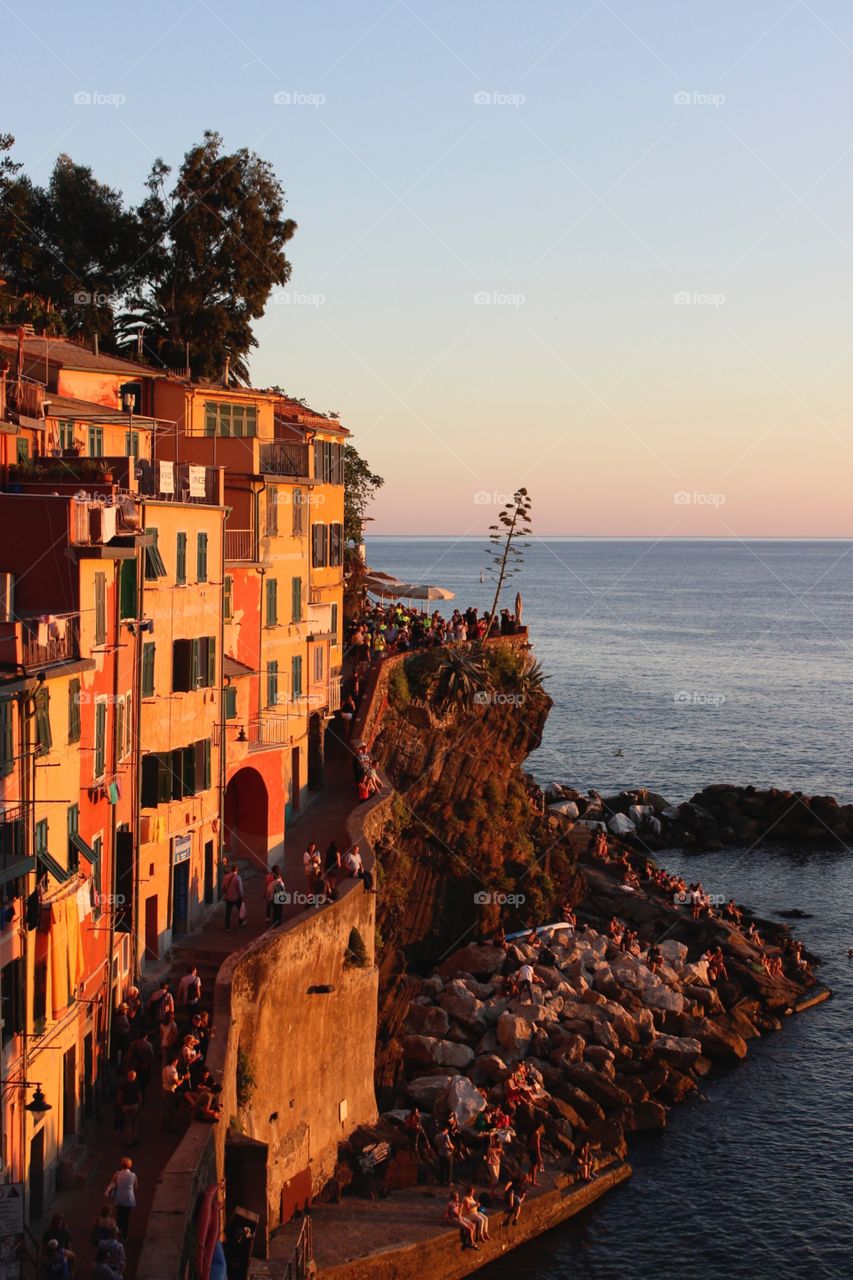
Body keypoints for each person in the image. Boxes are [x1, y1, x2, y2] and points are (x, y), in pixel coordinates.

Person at [107, 1158, 137, 1239]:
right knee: (126, 1218)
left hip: (119, 1198)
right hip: (128, 1199)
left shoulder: (117, 1174)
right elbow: (135, 1186)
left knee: (119, 1215)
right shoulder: (133, 1175)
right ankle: (125, 1235)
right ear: (130, 1165)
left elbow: (112, 1182)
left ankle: (117, 1233)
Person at [128, 1031, 156, 1101]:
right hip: (145, 1067)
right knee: (143, 1084)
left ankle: (134, 1097)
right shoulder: (149, 1045)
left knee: (134, 1082)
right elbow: (152, 1057)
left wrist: (129, 1065)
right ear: (145, 1036)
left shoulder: (133, 1044)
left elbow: (129, 1056)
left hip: (135, 1066)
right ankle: (142, 1097)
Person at [118, 1070, 141, 1145]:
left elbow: (120, 1096)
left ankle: (129, 1142)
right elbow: (139, 1097)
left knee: (128, 1124)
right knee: (135, 1122)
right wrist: (140, 1105)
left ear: (128, 1077)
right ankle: (135, 1138)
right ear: (134, 1077)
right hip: (134, 1105)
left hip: (125, 1106)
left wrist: (119, 1104)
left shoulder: (123, 1085)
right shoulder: (136, 1085)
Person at [222, 865, 244, 930]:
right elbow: (240, 889)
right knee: (240, 910)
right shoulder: (238, 878)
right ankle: (241, 922)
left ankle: (227, 927)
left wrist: (223, 893)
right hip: (236, 897)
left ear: (231, 869)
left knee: (228, 912)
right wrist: (241, 896)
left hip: (228, 897)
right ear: (237, 870)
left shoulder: (226, 877)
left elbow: (223, 886)